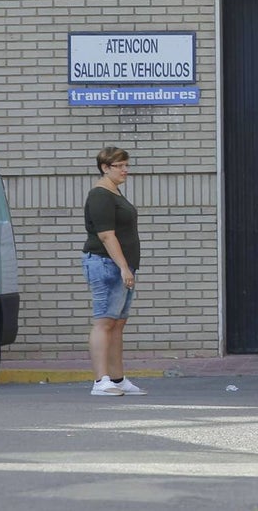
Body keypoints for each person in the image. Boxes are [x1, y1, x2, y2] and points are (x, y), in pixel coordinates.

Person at [82, 146, 146, 397]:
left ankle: (118, 379)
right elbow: (107, 236)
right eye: (120, 166)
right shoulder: (100, 195)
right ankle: (101, 380)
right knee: (104, 321)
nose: (125, 170)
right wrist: (122, 267)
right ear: (104, 168)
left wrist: (127, 267)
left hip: (122, 266)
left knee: (118, 323)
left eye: (126, 165)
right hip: (105, 264)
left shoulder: (114, 192)